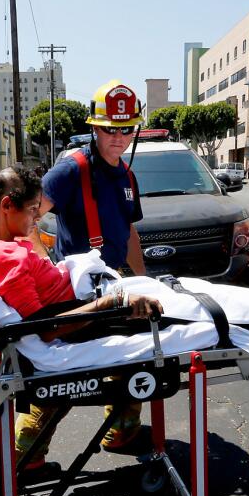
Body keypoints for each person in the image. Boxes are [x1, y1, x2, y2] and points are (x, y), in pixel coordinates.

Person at [0, 168, 249, 472]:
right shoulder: (6, 258)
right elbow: (44, 329)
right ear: (7, 206)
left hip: (88, 304)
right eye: (33, 211)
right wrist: (109, 304)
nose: (36, 220)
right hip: (89, 321)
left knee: (190, 293)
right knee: (194, 314)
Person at [37, 79, 150, 452]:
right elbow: (25, 219)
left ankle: (120, 432)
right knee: (64, 378)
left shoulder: (127, 175)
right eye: (109, 129)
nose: (118, 138)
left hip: (114, 286)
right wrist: (45, 268)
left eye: (126, 129)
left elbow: (129, 231)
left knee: (134, 357)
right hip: (76, 295)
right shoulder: (71, 170)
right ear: (94, 127)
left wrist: (146, 282)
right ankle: (26, 454)